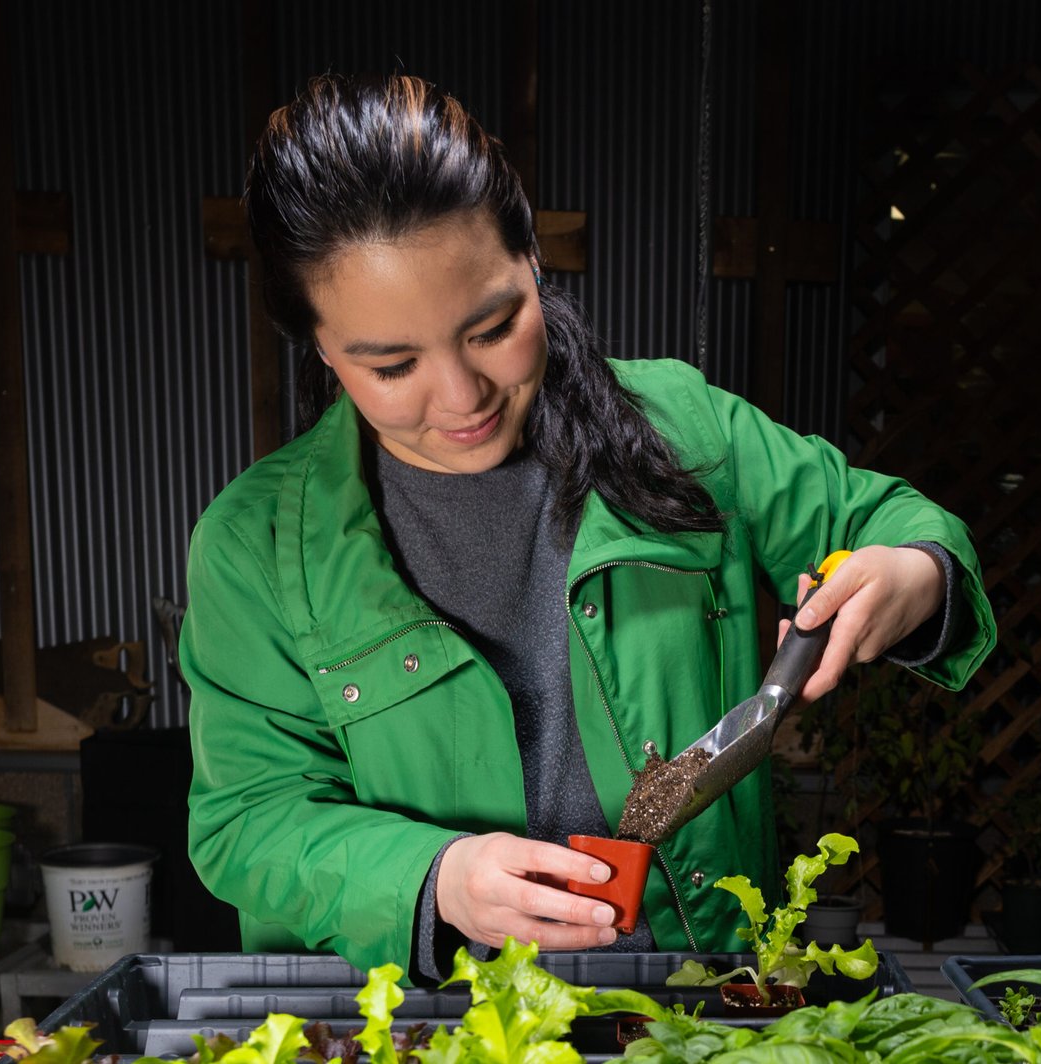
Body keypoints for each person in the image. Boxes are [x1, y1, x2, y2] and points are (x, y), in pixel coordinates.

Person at [182, 72, 996, 983]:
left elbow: (892, 519)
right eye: (393, 364)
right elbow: (248, 820)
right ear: (322, 345)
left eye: (493, 327)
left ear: (532, 260)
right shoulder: (255, 546)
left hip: (699, 1005)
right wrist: (436, 879)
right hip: (438, 1022)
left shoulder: (686, 431)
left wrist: (912, 570)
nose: (461, 398)